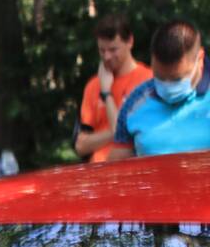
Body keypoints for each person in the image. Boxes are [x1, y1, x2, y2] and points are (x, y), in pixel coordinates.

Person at [110, 19, 210, 159]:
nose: (167, 85)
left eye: (177, 79)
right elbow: (115, 167)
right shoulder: (134, 103)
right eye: (160, 77)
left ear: (199, 59)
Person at [74, 14, 152, 162]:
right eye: (102, 51)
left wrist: (106, 93)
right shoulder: (93, 85)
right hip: (96, 173)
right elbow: (81, 145)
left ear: (129, 41)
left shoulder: (148, 81)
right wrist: (115, 132)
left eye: (113, 49)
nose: (107, 56)